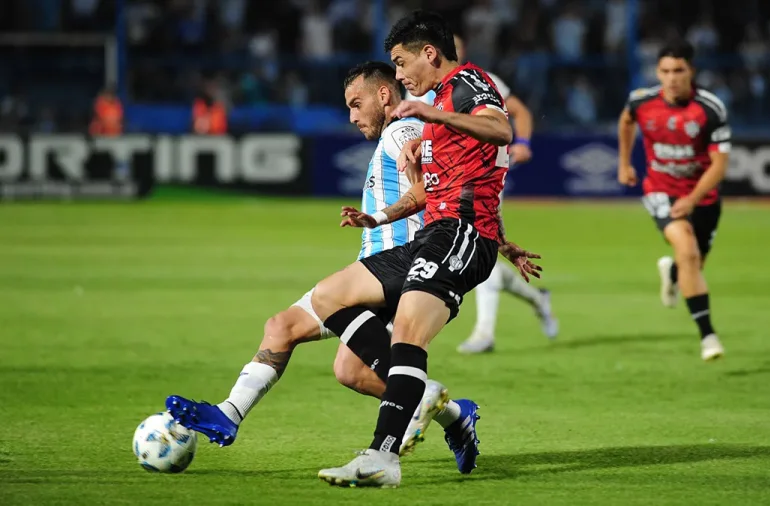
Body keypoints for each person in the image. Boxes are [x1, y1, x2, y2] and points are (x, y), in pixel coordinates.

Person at [165, 61, 481, 468]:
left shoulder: (403, 131)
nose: (351, 116)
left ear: (384, 95)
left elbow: (437, 184)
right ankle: (455, 414)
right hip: (374, 267)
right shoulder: (396, 134)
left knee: (323, 328)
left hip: (401, 266)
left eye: (356, 104)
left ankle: (426, 402)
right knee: (315, 349)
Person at [315, 10, 542, 488]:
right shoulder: (439, 107)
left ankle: (382, 457)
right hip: (442, 233)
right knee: (328, 297)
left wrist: (434, 116)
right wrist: (375, 217)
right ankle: (443, 415)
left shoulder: (466, 83)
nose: (398, 75)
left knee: (407, 337)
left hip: (458, 234)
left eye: (400, 63)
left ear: (429, 54)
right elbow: (435, 192)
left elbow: (502, 130)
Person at [406, 32, 558, 354]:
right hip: (437, 183)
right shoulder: (419, 89)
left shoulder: (479, 82)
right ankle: (537, 298)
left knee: (472, 240)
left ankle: (483, 332)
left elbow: (518, 114)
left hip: (475, 176)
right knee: (477, 252)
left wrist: (525, 144)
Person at [617, 40, 729, 362]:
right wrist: (624, 162)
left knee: (694, 263)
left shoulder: (710, 109)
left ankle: (674, 274)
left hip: (702, 196)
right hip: (660, 190)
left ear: (691, 71)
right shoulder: (641, 101)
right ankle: (708, 336)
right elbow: (626, 122)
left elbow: (720, 165)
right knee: (688, 249)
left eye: (679, 71)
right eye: (665, 71)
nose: (671, 78)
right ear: (657, 72)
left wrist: (693, 199)